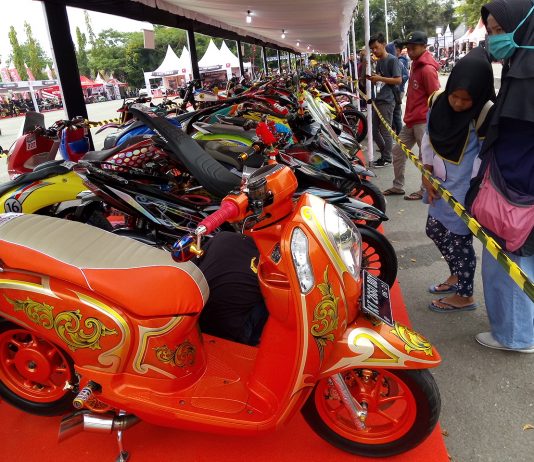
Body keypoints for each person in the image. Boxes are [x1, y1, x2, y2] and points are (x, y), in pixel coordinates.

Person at [471, 0, 534, 352]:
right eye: (492, 31)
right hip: (517, 184)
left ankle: (515, 336)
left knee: (511, 262)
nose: (495, 37)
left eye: (501, 30)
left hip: (516, 188)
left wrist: (502, 184)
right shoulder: (519, 62)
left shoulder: (528, 73)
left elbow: (519, 138)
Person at [422, 47, 495, 313]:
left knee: (459, 241)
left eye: (466, 100)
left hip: (465, 188)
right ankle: (456, 275)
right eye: (455, 95)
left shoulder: (485, 111)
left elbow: (485, 157)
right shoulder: (437, 100)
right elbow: (428, 137)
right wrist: (426, 172)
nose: (458, 103)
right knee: (434, 229)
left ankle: (465, 295)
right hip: (438, 181)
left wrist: (475, 194)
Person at [382, 31, 440, 199]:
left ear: (424, 47)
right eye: (408, 47)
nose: (410, 51)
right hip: (411, 120)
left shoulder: (427, 69)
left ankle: (424, 190)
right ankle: (398, 186)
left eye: (414, 47)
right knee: (397, 151)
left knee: (425, 158)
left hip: (422, 121)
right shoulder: (415, 64)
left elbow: (435, 98)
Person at [196, 232, 268, 346]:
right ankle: (254, 343)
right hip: (226, 336)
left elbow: (193, 265)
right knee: (270, 299)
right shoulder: (269, 266)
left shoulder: (223, 236)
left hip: (191, 320)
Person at [367, 33, 402, 168]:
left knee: (385, 130)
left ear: (384, 44)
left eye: (376, 47)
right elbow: (381, 79)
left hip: (387, 100)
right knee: (374, 130)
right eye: (372, 49)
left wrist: (379, 78)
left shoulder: (393, 60)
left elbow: (398, 80)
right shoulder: (379, 61)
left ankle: (387, 158)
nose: (374, 51)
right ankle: (384, 154)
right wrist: (375, 79)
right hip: (379, 99)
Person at [386, 39, 411, 134]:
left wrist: (395, 81)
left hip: (398, 90)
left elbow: (405, 76)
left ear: (397, 50)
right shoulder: (398, 60)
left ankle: (399, 135)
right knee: (395, 114)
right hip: (396, 90)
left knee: (396, 114)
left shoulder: (400, 61)